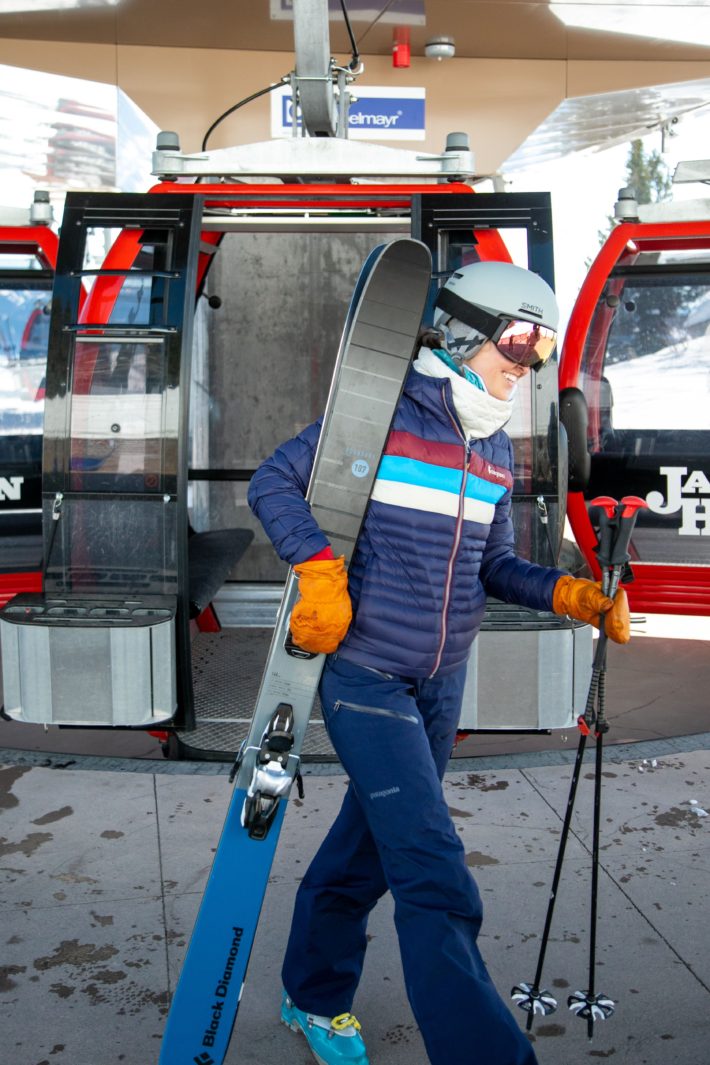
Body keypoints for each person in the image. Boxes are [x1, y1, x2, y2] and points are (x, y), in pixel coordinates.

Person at [247, 259, 630, 1065]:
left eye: (542, 347)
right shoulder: (382, 418)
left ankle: (312, 993)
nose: (527, 363)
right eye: (518, 340)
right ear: (462, 332)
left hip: (440, 685)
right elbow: (275, 480)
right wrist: (317, 566)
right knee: (433, 871)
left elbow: (496, 566)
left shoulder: (492, 449)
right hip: (367, 675)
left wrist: (573, 594)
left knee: (369, 846)